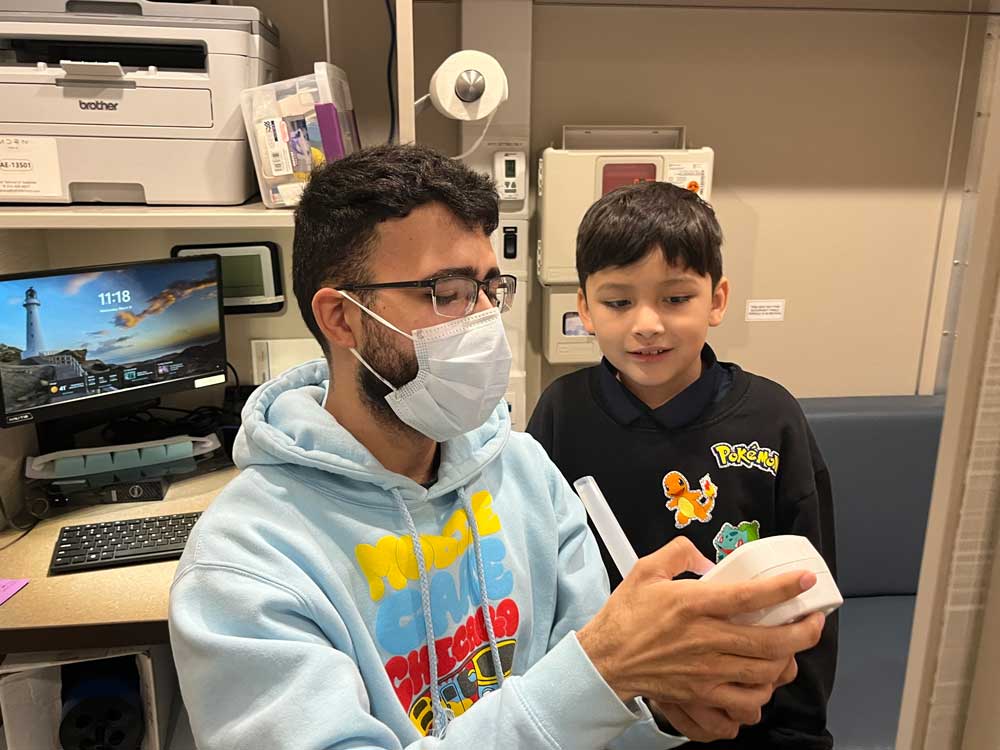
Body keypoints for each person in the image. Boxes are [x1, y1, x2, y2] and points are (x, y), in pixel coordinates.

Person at [168, 144, 825, 750]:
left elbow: (596, 714)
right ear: (342, 318)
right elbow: (584, 685)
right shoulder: (246, 564)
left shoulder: (524, 473)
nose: (484, 321)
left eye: (489, 288)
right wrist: (602, 672)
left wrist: (663, 708)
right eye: (447, 293)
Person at [526, 180, 838, 749]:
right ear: (585, 309)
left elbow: (810, 592)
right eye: (618, 302)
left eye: (675, 299)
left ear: (717, 299)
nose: (647, 324)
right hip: (606, 715)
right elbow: (536, 582)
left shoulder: (772, 417)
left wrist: (799, 731)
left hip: (747, 712)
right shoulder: (561, 413)